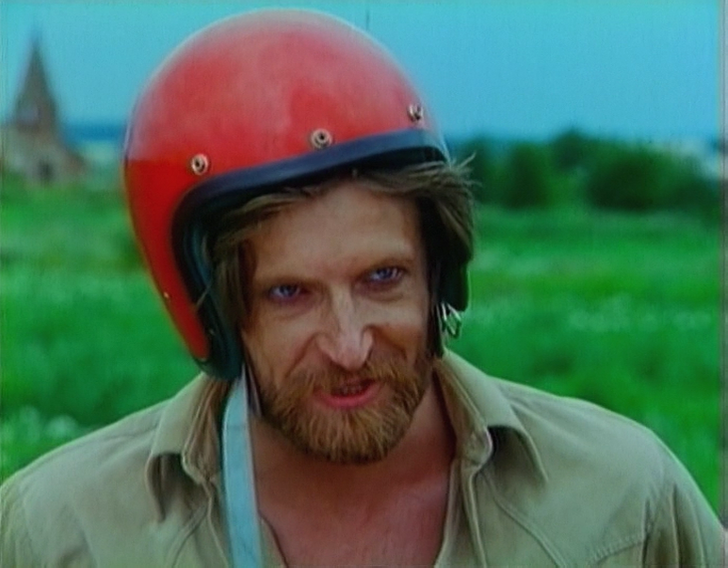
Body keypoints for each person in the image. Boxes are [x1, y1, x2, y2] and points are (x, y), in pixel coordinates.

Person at [1, 9, 724, 567]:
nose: (349, 347)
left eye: (383, 278)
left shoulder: (625, 501)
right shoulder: (61, 532)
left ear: (439, 273)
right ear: (215, 312)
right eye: (290, 294)